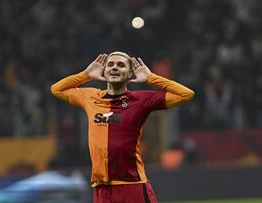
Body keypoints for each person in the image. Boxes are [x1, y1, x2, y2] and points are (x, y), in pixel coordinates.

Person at [51, 51, 194, 203]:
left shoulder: (140, 100)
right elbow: (56, 89)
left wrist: (151, 78)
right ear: (104, 71)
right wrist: (86, 75)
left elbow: (186, 94)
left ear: (130, 73)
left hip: (133, 185)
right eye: (110, 65)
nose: (114, 68)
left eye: (121, 65)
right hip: (102, 189)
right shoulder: (91, 97)